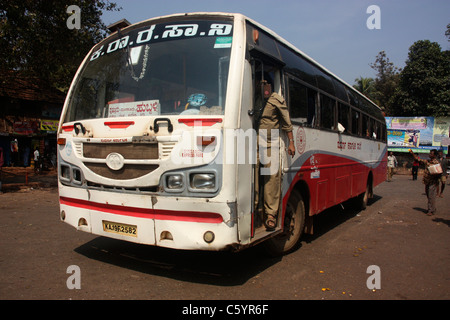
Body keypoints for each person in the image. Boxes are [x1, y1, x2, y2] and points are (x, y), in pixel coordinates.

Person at [255, 79, 295, 230]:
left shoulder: (276, 99)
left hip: (270, 142)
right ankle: (254, 208)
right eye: (260, 82)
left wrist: (291, 142)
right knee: (253, 175)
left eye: (264, 82)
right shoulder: (254, 98)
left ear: (269, 85)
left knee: (271, 177)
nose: (262, 85)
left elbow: (286, 122)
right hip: (254, 141)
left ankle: (271, 213)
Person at [409, 149, 441, 216]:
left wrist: (437, 183)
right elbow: (418, 159)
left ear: (434, 155)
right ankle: (433, 209)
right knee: (429, 196)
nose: (429, 154)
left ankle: (430, 210)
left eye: (431, 154)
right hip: (427, 181)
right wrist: (412, 153)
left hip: (433, 182)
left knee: (431, 196)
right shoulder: (428, 161)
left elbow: (439, 173)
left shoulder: (436, 163)